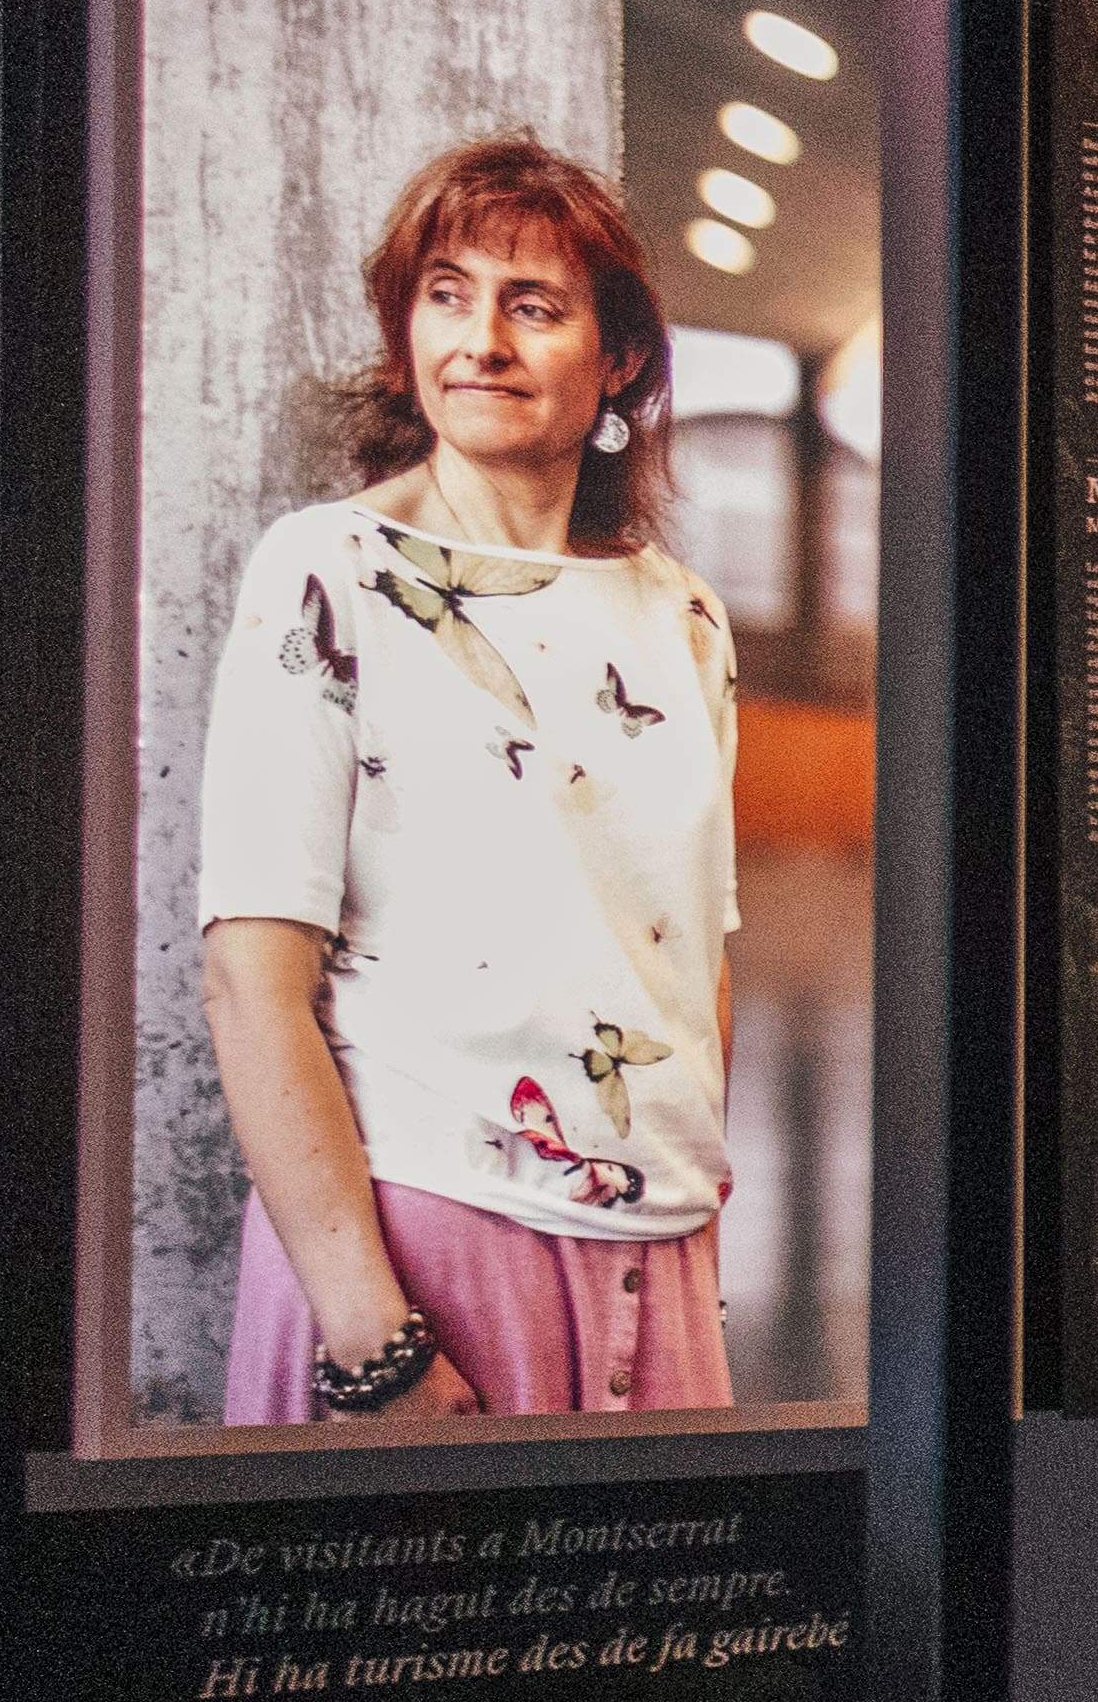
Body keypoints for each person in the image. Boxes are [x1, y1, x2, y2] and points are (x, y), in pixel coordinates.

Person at [199, 138, 743, 1427]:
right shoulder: (327, 573)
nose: (482, 341)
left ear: (620, 360)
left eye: (533, 305)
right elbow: (249, 980)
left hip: (654, 1254)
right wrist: (373, 1340)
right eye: (447, 295)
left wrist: (692, 1212)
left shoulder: (684, 615)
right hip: (416, 1250)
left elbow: (695, 957)